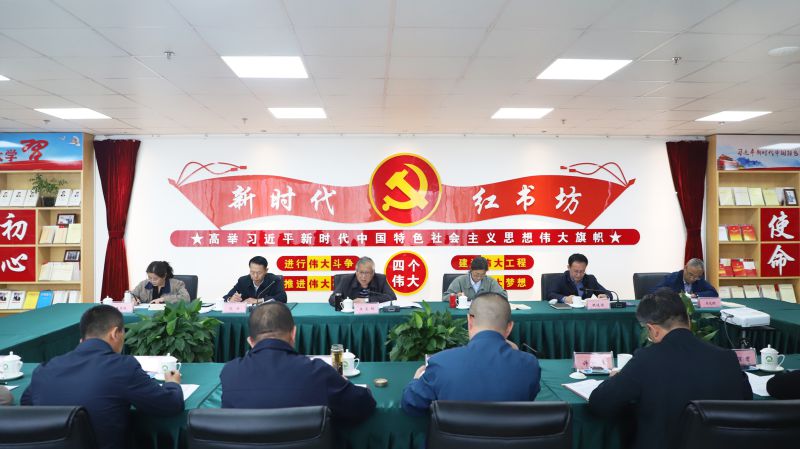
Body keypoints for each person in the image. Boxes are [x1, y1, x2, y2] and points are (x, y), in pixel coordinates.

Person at [588, 288, 752, 449]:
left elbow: (600, 403)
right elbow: (746, 401)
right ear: (688, 321)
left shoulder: (646, 360)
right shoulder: (727, 358)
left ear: (653, 330)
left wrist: (617, 378)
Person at [21, 305, 184, 449]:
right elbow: (170, 405)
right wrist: (172, 384)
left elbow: (26, 403)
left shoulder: (45, 369)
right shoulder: (122, 367)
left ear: (82, 338)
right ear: (115, 333)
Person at [220, 302, 375, 424]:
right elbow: (363, 406)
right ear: (294, 333)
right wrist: (342, 382)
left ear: (250, 341)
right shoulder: (318, 371)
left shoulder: (230, 372)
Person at [401, 292, 541, 416]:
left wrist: (416, 380)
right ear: (509, 327)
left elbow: (411, 404)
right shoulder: (529, 365)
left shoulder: (442, 362)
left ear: (470, 321)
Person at [328, 256, 396, 306]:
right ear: (356, 272)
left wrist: (367, 300)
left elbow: (392, 297)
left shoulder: (381, 279)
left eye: (367, 273)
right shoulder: (346, 280)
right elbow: (332, 299)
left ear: (373, 273)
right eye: (361, 272)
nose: (363, 277)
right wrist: (348, 303)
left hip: (373, 314)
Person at [442, 256, 507, 301]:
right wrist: (456, 296)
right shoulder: (460, 280)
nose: (479, 277)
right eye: (476, 274)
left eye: (482, 274)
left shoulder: (490, 281)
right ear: (471, 270)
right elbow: (445, 297)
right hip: (464, 312)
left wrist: (492, 296)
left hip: (485, 312)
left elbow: (504, 296)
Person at [652, 258, 718, 297]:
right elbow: (655, 291)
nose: (692, 279)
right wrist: (675, 295)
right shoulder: (673, 278)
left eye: (696, 277)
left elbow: (714, 293)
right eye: (690, 274)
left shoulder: (699, 279)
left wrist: (696, 295)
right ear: (685, 268)